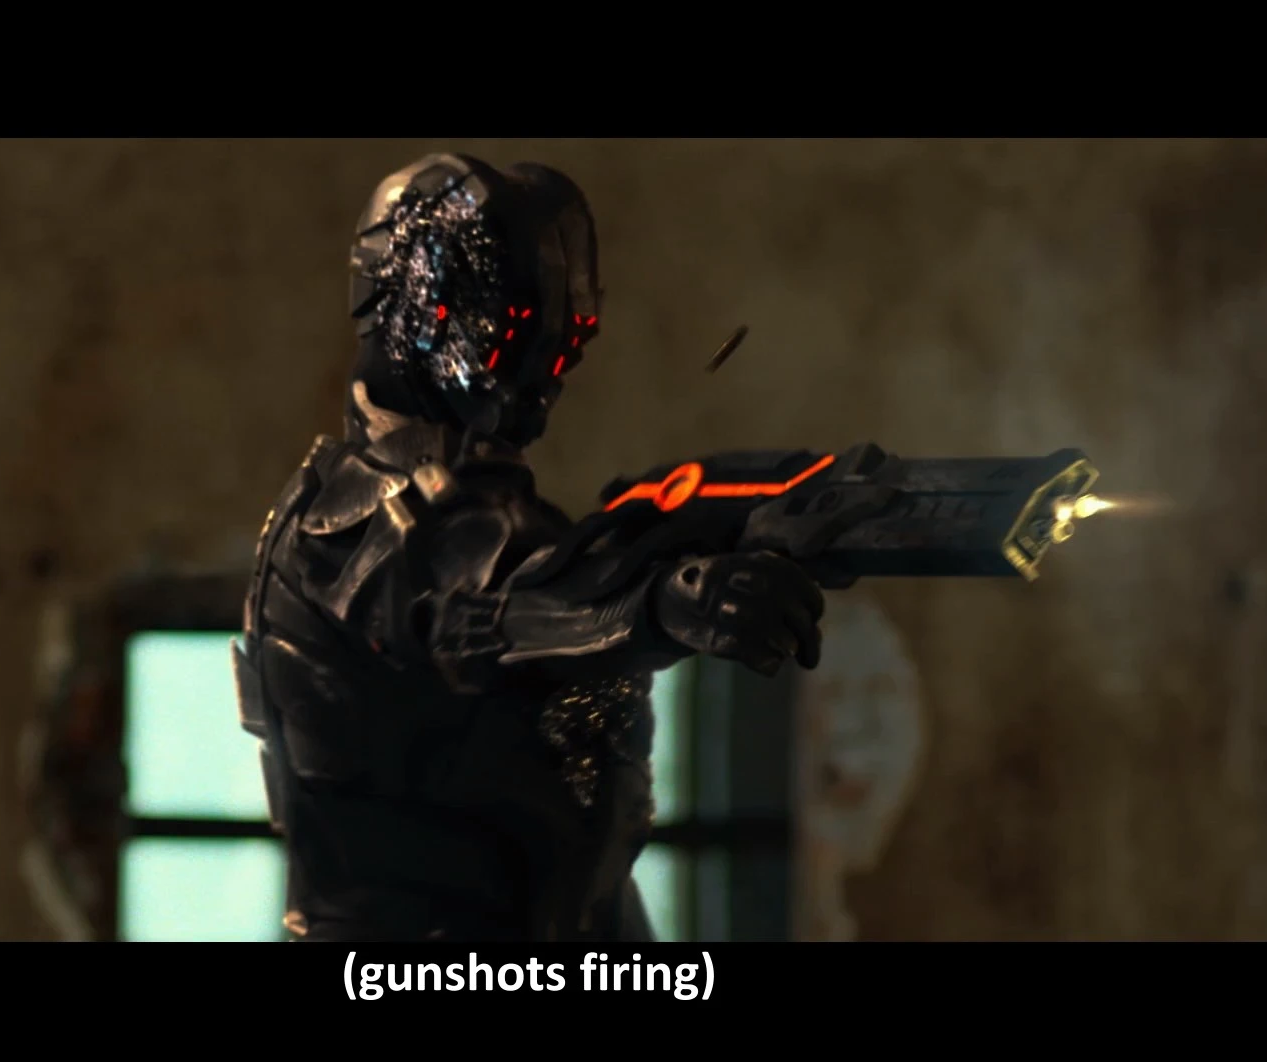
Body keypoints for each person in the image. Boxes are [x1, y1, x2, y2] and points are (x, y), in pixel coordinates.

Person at [232, 153, 829, 942]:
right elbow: (501, 604)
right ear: (421, 307)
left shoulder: (488, 513)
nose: (544, 368)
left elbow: (574, 834)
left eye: (565, 339)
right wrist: (666, 601)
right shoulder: (350, 523)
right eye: (514, 331)